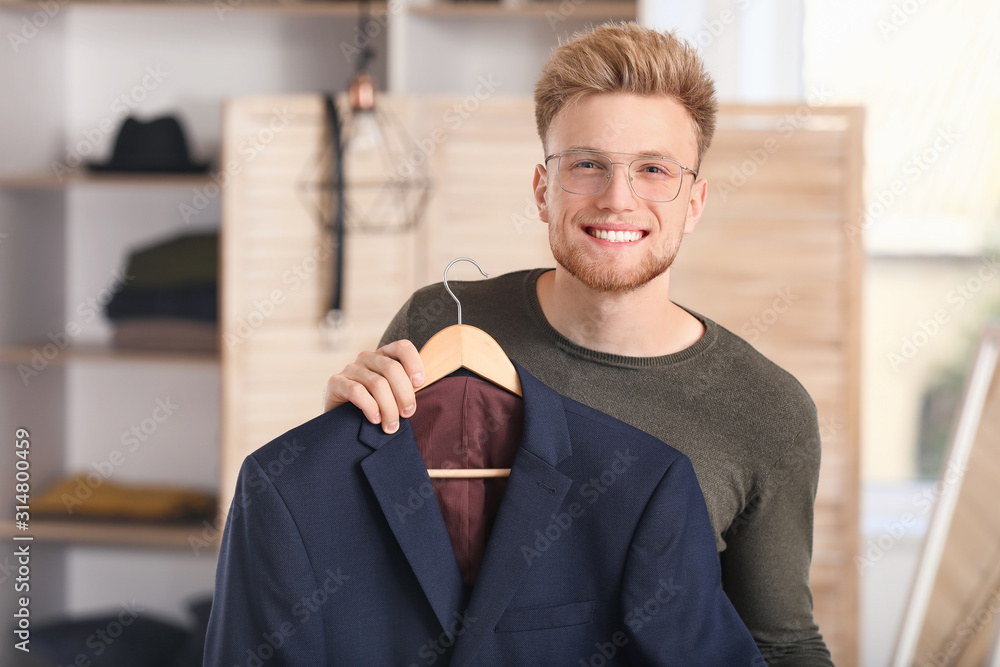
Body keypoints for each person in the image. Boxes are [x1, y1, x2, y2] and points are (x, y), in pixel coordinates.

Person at [322, 21, 834, 666]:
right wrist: (337, 438)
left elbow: (781, 642)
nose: (618, 199)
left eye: (653, 169)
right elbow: (354, 560)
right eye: (587, 165)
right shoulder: (437, 326)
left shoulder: (768, 409)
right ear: (543, 190)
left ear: (694, 202)